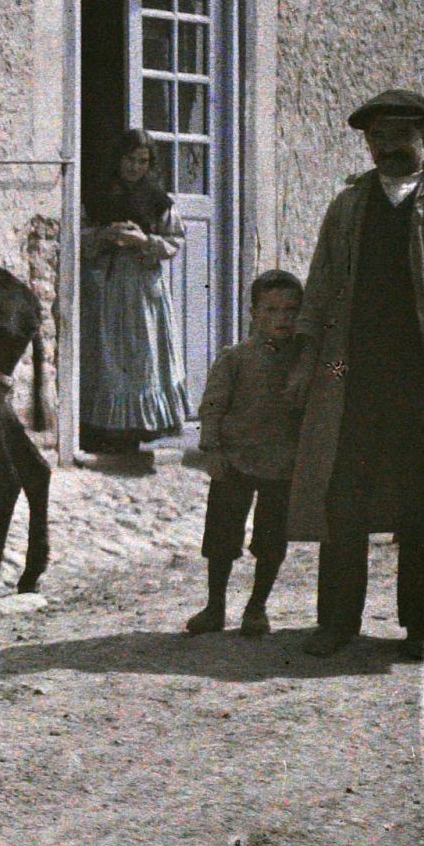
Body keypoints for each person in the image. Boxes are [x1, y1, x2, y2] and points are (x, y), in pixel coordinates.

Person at [285, 88, 424, 661]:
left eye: (398, 136)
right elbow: (322, 281)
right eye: (376, 138)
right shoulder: (349, 206)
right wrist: (307, 360)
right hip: (353, 374)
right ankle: (336, 622)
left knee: (422, 501)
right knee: (342, 496)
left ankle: (422, 626)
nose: (385, 148)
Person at [185, 270, 304, 636]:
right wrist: (212, 450)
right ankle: (215, 606)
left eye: (289, 310)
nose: (281, 318)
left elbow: (337, 373)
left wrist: (338, 364)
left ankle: (257, 607)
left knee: (272, 540)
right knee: (221, 536)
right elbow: (213, 406)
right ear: (253, 313)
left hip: (282, 464)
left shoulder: (304, 362)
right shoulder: (235, 358)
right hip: (235, 461)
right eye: (270, 310)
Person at [81, 129, 190, 459]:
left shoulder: (157, 199)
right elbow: (81, 233)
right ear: (118, 160)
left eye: (142, 161)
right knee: (110, 353)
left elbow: (176, 239)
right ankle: (108, 427)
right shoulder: (99, 195)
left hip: (143, 285)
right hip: (109, 284)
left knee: (143, 354)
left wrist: (145, 242)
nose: (135, 167)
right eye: (129, 160)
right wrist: (105, 234)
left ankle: (143, 425)